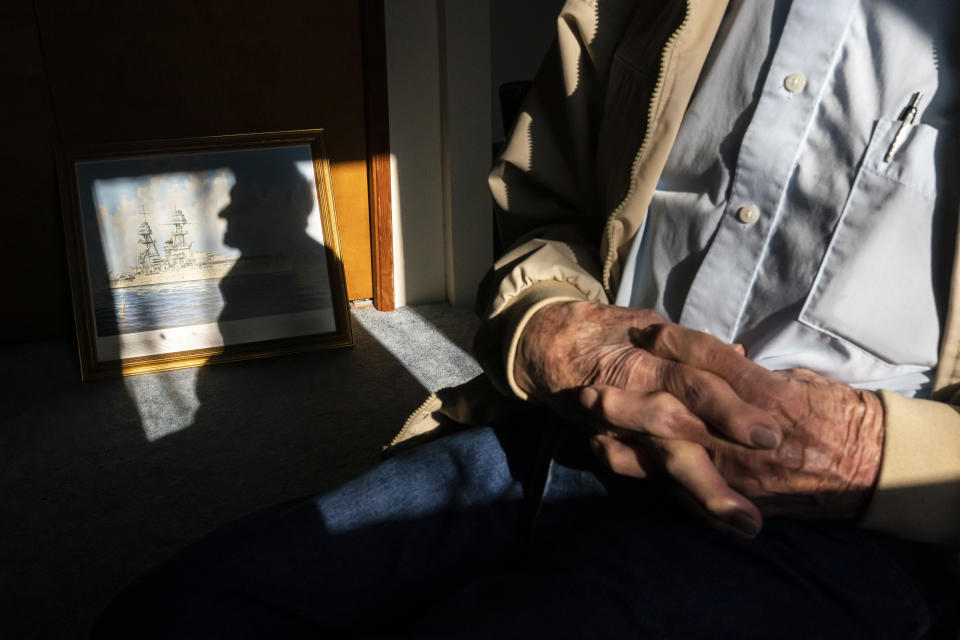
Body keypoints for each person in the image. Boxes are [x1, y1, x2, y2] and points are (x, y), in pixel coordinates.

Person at [93, 1, 960, 637]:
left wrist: (875, 459)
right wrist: (555, 330)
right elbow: (543, 209)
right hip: (564, 428)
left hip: (838, 529)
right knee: (169, 616)